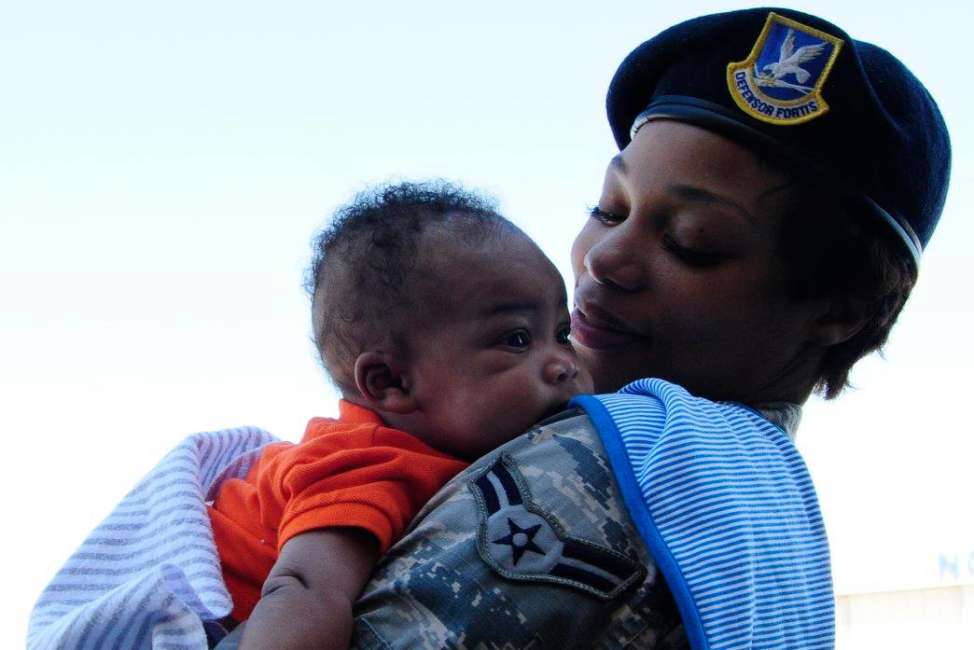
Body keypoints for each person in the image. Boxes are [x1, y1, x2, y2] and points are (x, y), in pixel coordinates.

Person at [347, 8, 950, 650]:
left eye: (692, 243)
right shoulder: (766, 513)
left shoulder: (611, 466)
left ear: (839, 309)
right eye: (608, 209)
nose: (603, 259)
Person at [26, 181, 591, 650]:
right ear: (391, 382)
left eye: (561, 334)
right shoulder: (370, 465)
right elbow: (304, 587)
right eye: (516, 339)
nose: (563, 363)